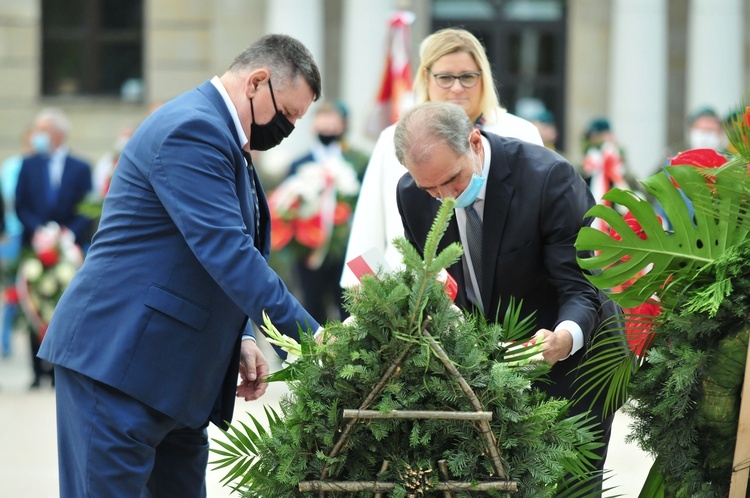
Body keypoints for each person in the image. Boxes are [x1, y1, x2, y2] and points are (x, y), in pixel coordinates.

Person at [37, 34, 322, 497]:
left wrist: (243, 336)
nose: (287, 128)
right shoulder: (194, 129)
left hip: (171, 378)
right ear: (257, 82)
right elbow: (227, 250)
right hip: (119, 366)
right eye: (287, 113)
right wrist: (312, 342)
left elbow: (202, 257)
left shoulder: (224, 135)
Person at [394, 101, 624, 493]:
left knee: (567, 488)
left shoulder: (548, 178)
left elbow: (581, 286)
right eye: (429, 187)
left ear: (474, 142)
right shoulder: (413, 196)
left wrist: (562, 339)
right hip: (489, 368)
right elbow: (441, 282)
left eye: (453, 180)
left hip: (575, 360)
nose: (444, 196)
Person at [341, 28, 542, 288]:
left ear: (484, 77)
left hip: (509, 294)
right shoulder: (394, 140)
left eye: (468, 77)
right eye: (445, 77)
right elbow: (369, 228)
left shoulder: (521, 133)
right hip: (413, 299)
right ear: (426, 77)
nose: (457, 88)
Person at [15, 108, 93, 388]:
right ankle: (37, 372)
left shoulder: (80, 167)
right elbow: (20, 204)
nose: (37, 136)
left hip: (67, 249)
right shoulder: (29, 164)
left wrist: (66, 233)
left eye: (43, 130)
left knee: (65, 307)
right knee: (34, 306)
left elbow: (87, 208)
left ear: (58, 134)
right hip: (34, 247)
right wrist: (39, 230)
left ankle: (60, 370)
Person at [276, 102, 368, 323]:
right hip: (309, 250)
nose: (327, 129)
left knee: (350, 306)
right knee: (311, 305)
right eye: (322, 123)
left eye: (332, 123)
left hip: (347, 250)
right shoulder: (299, 164)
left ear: (344, 126)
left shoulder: (358, 162)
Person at [0, 127, 29, 357]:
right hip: (13, 233)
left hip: (33, 234)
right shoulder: (12, 167)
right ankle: (5, 341)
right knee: (11, 291)